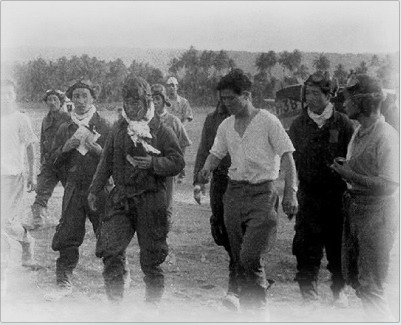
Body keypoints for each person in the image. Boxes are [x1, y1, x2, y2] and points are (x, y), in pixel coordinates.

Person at [199, 69, 298, 320]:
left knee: (250, 256)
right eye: (223, 99)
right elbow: (216, 153)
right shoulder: (226, 125)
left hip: (262, 195)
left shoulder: (268, 121)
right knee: (238, 258)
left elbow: (287, 155)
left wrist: (290, 193)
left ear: (247, 95)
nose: (227, 104)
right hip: (233, 194)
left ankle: (260, 311)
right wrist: (206, 169)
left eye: (232, 98)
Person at [88, 76, 184, 305]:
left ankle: (152, 308)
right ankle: (116, 307)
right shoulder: (118, 128)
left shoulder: (162, 130)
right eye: (127, 104)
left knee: (151, 259)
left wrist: (153, 164)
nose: (131, 110)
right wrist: (94, 189)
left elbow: (178, 162)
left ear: (147, 102)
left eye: (136, 104)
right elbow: (106, 161)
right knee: (110, 249)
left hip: (151, 200)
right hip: (121, 198)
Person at [331, 74, 399, 322]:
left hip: (377, 213)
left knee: (371, 285)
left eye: (348, 99)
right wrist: (346, 169)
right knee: (359, 281)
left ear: (363, 102)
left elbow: (391, 185)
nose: (344, 104)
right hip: (356, 209)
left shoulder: (386, 136)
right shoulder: (360, 132)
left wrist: (350, 174)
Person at [288, 72, 355, 305]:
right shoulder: (298, 124)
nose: (310, 98)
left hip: (336, 196)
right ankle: (309, 295)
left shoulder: (344, 124)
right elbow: (291, 161)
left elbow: (352, 158)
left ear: (329, 95)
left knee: (337, 244)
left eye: (316, 93)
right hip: (307, 195)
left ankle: (339, 291)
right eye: (308, 93)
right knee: (306, 245)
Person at [45, 79, 111, 301]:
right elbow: (52, 161)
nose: (80, 101)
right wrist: (65, 148)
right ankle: (63, 280)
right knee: (68, 235)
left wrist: (101, 152)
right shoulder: (65, 127)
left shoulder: (105, 125)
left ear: (93, 98)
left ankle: (117, 278)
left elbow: (119, 162)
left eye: (85, 96)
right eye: (76, 96)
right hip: (73, 189)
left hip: (100, 189)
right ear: (70, 100)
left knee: (108, 233)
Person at [193, 97, 241, 310]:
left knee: (238, 231)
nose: (225, 99)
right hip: (219, 180)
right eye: (222, 94)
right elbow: (204, 149)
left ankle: (237, 283)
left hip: (241, 182)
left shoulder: (245, 118)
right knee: (220, 229)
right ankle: (243, 269)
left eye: (230, 94)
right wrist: (198, 181)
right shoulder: (212, 119)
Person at [1, 79, 41, 298]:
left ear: (14, 95)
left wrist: (33, 174)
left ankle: (26, 241)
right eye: (1, 94)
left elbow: (31, 148)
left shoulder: (20, 119)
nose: (5, 97)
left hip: (13, 177)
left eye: (9, 93)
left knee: (5, 221)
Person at [24, 89, 71, 230]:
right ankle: (38, 220)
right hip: (49, 163)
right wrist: (43, 160)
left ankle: (71, 220)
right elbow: (43, 140)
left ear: (61, 102)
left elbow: (70, 140)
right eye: (49, 100)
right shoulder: (46, 119)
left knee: (72, 193)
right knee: (42, 191)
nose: (52, 102)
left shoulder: (68, 118)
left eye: (55, 99)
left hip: (65, 162)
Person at [151, 83, 191, 229]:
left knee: (167, 200)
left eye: (157, 99)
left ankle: (165, 225)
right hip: (150, 167)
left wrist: (178, 165)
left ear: (164, 101)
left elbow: (184, 143)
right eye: (152, 99)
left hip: (168, 168)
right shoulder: (145, 121)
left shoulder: (174, 121)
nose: (154, 102)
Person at [166, 76, 193, 183]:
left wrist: (180, 127)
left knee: (181, 152)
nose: (171, 88)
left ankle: (181, 172)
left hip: (180, 131)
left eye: (173, 85)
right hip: (167, 131)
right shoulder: (164, 101)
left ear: (177, 87)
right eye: (169, 86)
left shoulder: (183, 102)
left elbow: (188, 117)